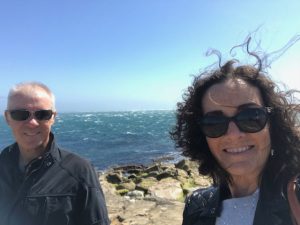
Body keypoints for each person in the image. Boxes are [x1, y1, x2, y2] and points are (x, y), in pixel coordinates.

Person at [171, 40, 300, 225]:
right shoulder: (196, 207)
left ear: (272, 123)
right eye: (214, 122)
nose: (233, 134)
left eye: (250, 117)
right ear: (202, 135)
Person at [0, 82, 110, 225]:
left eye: (42, 114)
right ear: (7, 117)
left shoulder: (79, 171)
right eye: (20, 114)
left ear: (53, 117)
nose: (32, 123)